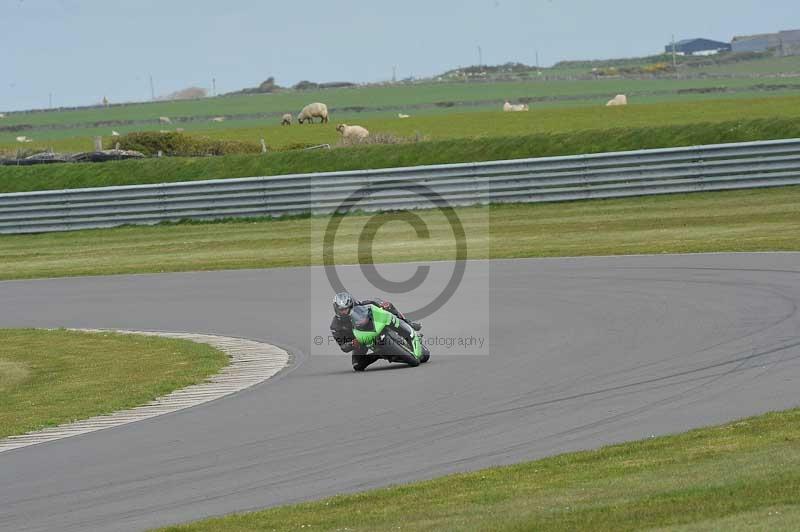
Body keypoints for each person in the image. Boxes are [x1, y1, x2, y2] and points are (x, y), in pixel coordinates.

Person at [330, 291, 421, 371]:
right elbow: (343, 346)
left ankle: (408, 323)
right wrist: (352, 344)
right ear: (336, 309)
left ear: (351, 305)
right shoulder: (335, 326)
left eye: (346, 308)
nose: (344, 312)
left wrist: (382, 304)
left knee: (388, 306)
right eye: (341, 310)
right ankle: (379, 354)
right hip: (361, 340)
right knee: (357, 365)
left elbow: (374, 302)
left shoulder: (360, 305)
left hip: (374, 326)